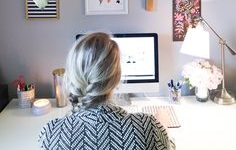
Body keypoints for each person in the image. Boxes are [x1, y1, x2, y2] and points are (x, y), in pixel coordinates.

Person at [39, 32, 175, 150]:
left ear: (73, 74)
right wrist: (162, 127)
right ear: (117, 76)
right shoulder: (148, 127)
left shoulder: (51, 133)